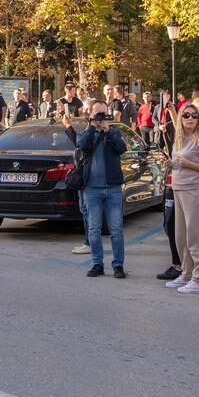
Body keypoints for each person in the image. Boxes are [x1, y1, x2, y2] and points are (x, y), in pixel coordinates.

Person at [67, 103, 128, 278]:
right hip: (92, 188)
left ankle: (118, 265)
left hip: (113, 188)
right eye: (97, 112)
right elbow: (82, 145)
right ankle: (97, 263)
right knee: (94, 228)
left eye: (103, 113)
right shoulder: (87, 132)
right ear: (91, 113)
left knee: (116, 229)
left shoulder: (114, 132)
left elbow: (121, 148)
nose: (100, 116)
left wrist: (107, 130)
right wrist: (93, 126)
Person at [166, 102, 199, 294]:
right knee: (180, 236)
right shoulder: (180, 139)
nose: (190, 119)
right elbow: (178, 162)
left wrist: (188, 164)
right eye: (186, 115)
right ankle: (186, 273)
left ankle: (198, 278)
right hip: (178, 189)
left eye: (194, 116)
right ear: (180, 118)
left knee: (195, 235)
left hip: (195, 191)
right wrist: (171, 163)